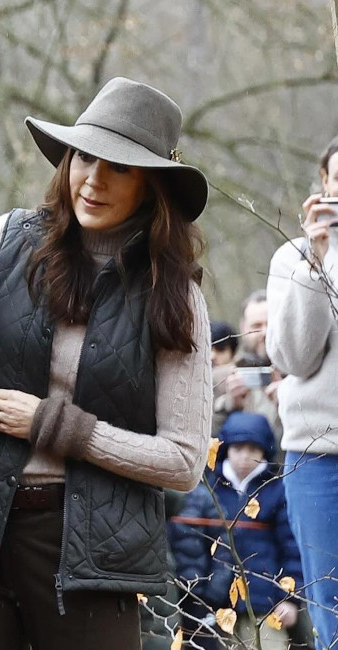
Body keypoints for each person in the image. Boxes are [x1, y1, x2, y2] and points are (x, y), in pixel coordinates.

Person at [0, 77, 214, 649]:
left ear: (152, 185)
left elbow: (184, 461)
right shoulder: (7, 240)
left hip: (93, 555)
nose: (92, 180)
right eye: (83, 158)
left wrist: (54, 426)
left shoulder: (176, 295)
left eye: (117, 167)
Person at [266, 134, 338, 649]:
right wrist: (315, 263)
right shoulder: (293, 258)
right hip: (318, 454)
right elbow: (293, 357)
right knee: (331, 609)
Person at [168, 412, 303, 650]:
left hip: (266, 603)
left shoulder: (277, 490)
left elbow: (292, 549)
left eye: (254, 449)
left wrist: (290, 600)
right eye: (238, 448)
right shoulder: (209, 487)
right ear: (225, 449)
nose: (245, 456)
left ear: (265, 452)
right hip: (213, 603)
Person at [213, 291, 284, 456]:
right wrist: (229, 406)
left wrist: (289, 399)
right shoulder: (219, 378)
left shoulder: (299, 374)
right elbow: (202, 442)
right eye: (256, 326)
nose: (264, 332)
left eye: (270, 324)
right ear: (243, 327)